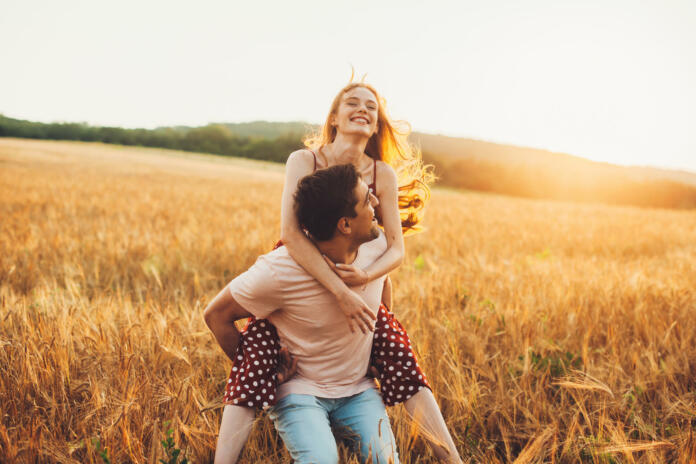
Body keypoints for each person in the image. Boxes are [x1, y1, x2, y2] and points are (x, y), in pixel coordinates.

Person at [210, 81, 461, 463]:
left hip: (363, 267)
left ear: (377, 124)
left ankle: (451, 459)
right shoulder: (305, 161)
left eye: (371, 107)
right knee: (260, 346)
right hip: (304, 258)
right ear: (333, 116)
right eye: (352, 102)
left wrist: (364, 285)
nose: (363, 109)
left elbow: (395, 248)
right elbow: (291, 234)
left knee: (395, 347)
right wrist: (340, 292)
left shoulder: (382, 175)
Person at [205, 164, 400, 463]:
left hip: (360, 389)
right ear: (345, 225)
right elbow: (216, 315)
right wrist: (266, 375)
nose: (376, 202)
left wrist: (376, 351)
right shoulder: (278, 271)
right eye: (366, 199)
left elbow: (383, 288)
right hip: (300, 391)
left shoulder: (377, 248)